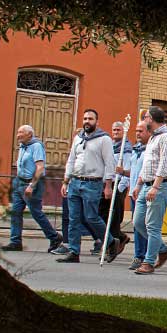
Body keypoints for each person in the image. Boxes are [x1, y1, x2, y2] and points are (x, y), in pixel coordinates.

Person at [57, 109, 117, 263]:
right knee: (73, 219)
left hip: (93, 182)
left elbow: (110, 163)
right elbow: (71, 159)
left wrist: (108, 185)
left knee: (91, 217)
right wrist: (66, 181)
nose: (87, 121)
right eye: (85, 118)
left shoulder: (104, 139)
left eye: (90, 118)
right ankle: (74, 251)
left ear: (97, 121)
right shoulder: (78, 138)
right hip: (75, 181)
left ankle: (110, 241)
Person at [131, 106, 167, 274]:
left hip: (161, 186)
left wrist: (156, 186)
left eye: (145, 118)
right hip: (146, 185)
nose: (143, 121)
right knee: (138, 222)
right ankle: (163, 250)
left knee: (152, 226)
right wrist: (138, 184)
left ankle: (148, 262)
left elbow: (164, 164)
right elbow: (147, 164)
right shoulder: (152, 138)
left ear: (150, 119)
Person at [2, 125, 63, 253]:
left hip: (32, 184)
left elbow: (40, 167)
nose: (18, 135)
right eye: (18, 132)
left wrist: (31, 185)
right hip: (19, 182)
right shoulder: (23, 146)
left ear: (29, 134)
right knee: (15, 212)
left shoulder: (36, 146)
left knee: (36, 213)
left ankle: (55, 237)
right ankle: (15, 241)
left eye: (21, 132)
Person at [97, 120, 133, 262]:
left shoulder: (127, 148)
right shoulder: (109, 146)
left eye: (118, 130)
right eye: (114, 130)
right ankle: (120, 238)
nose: (115, 132)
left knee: (113, 219)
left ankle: (113, 245)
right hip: (106, 184)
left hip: (117, 186)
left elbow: (128, 168)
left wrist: (120, 187)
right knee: (101, 216)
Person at [124, 121, 150, 271]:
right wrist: (122, 172)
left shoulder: (150, 150)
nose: (138, 133)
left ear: (148, 132)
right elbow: (132, 171)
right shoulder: (135, 150)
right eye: (136, 131)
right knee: (137, 225)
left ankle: (145, 255)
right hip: (133, 191)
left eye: (141, 131)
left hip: (144, 191)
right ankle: (140, 255)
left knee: (143, 224)